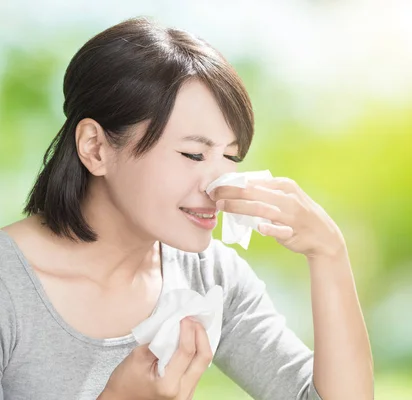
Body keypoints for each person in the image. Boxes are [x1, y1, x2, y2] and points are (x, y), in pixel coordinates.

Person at [0, 17, 374, 400]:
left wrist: (329, 253)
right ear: (96, 148)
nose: (218, 185)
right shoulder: (8, 286)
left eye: (231, 156)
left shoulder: (209, 276)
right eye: (193, 154)